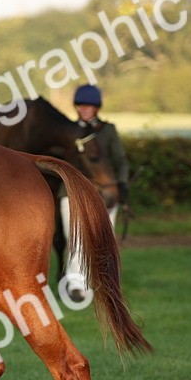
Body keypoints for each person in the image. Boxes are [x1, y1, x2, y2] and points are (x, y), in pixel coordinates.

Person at [60, 84, 130, 301]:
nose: (84, 109)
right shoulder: (68, 131)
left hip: (105, 193)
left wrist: (122, 186)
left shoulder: (108, 131)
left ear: (97, 108)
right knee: (74, 237)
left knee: (103, 238)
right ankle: (76, 284)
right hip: (71, 192)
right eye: (81, 105)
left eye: (88, 106)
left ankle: (103, 283)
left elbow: (120, 161)